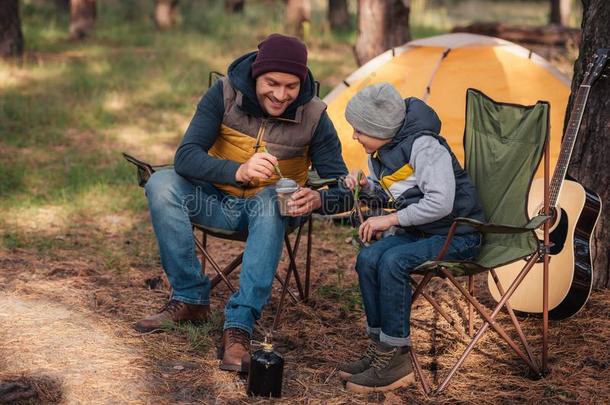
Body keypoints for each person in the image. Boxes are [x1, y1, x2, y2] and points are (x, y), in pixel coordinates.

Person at [135, 33, 349, 373]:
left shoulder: (314, 115)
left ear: (303, 82)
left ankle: (239, 326)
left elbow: (343, 188)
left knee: (268, 201)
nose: (280, 95)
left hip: (272, 214)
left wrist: (320, 198)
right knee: (161, 183)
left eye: (291, 86)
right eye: (272, 83)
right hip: (217, 201)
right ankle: (190, 298)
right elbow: (186, 158)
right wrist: (239, 170)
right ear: (255, 76)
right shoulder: (223, 94)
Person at [339, 83, 485, 393]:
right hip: (422, 232)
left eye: (359, 129)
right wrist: (365, 187)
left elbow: (441, 202)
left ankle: (398, 358)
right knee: (368, 257)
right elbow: (396, 194)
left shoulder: (425, 146)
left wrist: (390, 219)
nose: (354, 136)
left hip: (459, 233)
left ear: (381, 128)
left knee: (393, 260)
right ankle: (382, 349)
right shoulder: (379, 153)